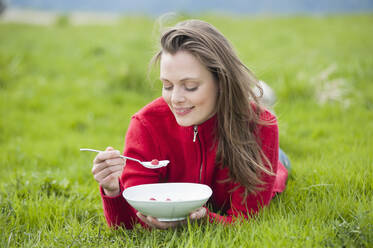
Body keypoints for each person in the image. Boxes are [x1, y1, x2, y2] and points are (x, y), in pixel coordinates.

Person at [91, 19, 289, 230]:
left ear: (221, 81)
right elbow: (131, 224)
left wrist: (201, 220)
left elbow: (247, 220)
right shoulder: (145, 125)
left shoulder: (261, 127)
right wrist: (113, 191)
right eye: (167, 85)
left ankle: (263, 105)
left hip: (271, 157)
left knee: (280, 159)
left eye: (190, 86)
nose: (175, 99)